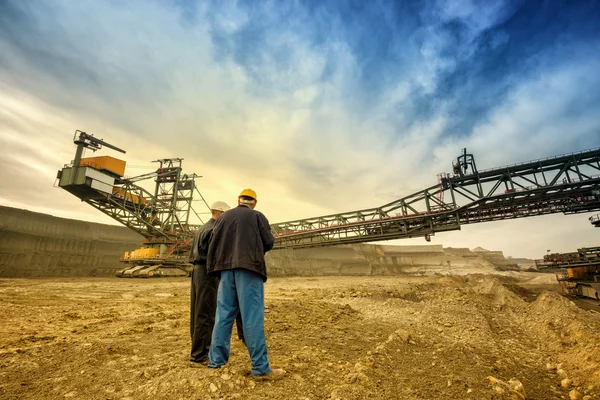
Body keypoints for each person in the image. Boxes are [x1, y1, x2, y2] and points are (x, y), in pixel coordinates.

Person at [206, 189, 285, 381]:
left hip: (226, 270)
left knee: (223, 316)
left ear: (238, 201)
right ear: (254, 203)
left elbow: (214, 242)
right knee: (251, 319)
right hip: (249, 269)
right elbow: (268, 241)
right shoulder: (257, 216)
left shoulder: (224, 218)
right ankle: (260, 368)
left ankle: (215, 363)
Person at [189, 200, 233, 364]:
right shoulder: (215, 229)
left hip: (197, 272)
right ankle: (200, 355)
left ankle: (197, 349)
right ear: (220, 213)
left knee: (197, 312)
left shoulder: (202, 228)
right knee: (206, 314)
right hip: (208, 273)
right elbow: (217, 254)